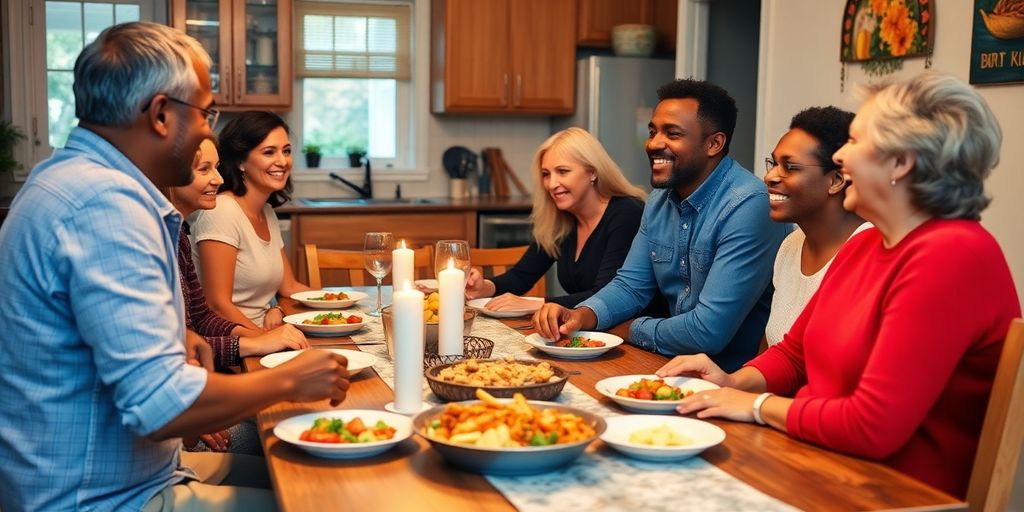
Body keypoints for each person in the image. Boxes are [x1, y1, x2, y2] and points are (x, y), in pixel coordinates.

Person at [0, 22, 350, 511]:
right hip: (99, 498)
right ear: (162, 115)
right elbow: (159, 406)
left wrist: (176, 340)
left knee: (312, 471)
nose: (211, 131)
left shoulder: (68, 179)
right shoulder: (106, 205)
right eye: (206, 112)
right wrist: (291, 379)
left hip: (127, 472)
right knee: (334, 500)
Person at [658, 72, 1020, 498]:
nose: (842, 157)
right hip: (820, 462)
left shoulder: (951, 254)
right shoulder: (867, 242)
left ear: (900, 163)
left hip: (897, 493)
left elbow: (873, 427)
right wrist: (733, 383)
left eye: (856, 141)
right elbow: (794, 354)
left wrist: (756, 406)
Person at [533, 79, 789, 372]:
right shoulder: (658, 201)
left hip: (726, 382)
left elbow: (708, 332)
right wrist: (581, 314)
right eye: (653, 131)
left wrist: (631, 329)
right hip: (663, 364)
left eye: (673, 133)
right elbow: (630, 286)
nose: (654, 143)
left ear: (714, 144)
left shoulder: (748, 205)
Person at [171, 138, 311, 455]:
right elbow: (179, 345)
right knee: (287, 435)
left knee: (294, 422)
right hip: (184, 419)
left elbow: (202, 319)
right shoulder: (165, 235)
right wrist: (257, 341)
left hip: (199, 393)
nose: (217, 180)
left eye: (216, 168)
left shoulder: (177, 234)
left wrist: (263, 335)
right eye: (204, 169)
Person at [464, 127, 647, 310]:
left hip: (632, 333)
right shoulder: (561, 219)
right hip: (589, 331)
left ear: (592, 172)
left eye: (563, 171)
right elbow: (521, 276)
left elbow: (605, 296)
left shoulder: (627, 213)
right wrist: (485, 287)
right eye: (546, 174)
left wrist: (534, 304)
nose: (551, 184)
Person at [191, 112, 311, 331]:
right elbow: (217, 306)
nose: (282, 161)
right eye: (269, 152)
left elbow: (289, 287)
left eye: (286, 151)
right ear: (240, 162)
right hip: (236, 346)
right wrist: (267, 341)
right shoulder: (221, 212)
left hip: (266, 335)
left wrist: (339, 308)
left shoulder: (266, 212)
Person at [763, 107, 868, 346]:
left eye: (790, 167)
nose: (770, 177)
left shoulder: (869, 252)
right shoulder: (790, 245)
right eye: (773, 163)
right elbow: (774, 352)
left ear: (836, 180)